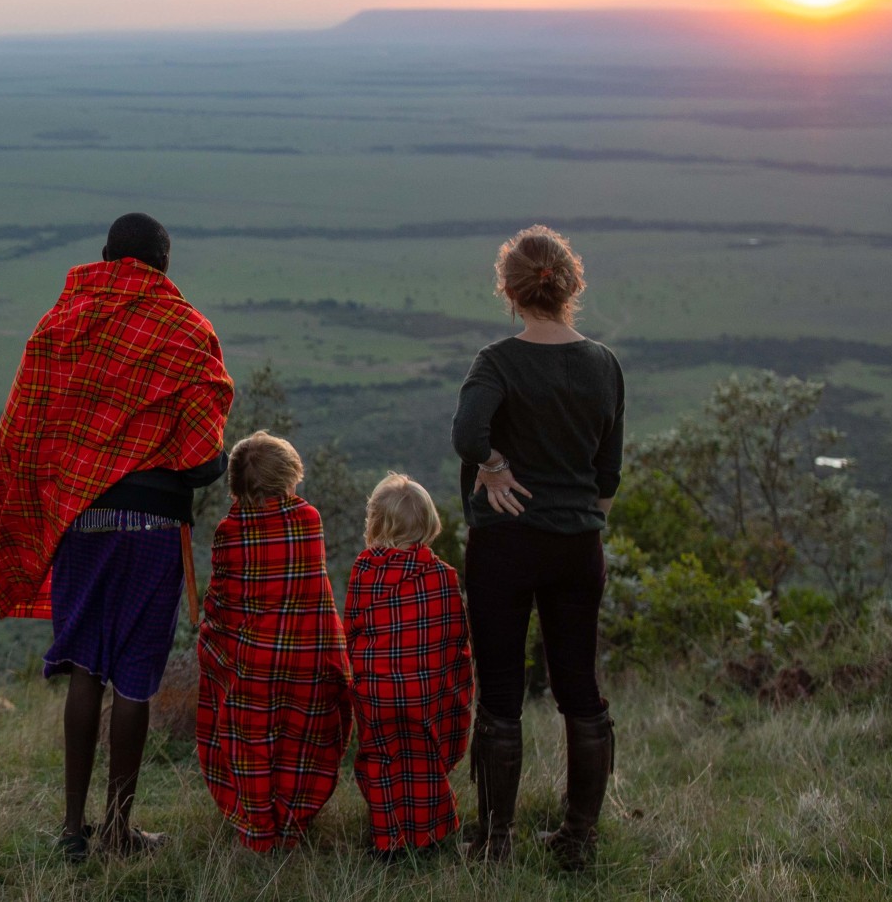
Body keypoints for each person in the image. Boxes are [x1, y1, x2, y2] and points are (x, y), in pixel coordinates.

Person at [0, 213, 233, 860]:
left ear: (103, 256)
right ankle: (120, 831)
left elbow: (24, 433)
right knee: (135, 680)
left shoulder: (58, 327)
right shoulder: (186, 331)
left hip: (82, 521)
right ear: (163, 268)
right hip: (154, 529)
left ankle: (72, 831)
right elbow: (205, 462)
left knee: (85, 671)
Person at [451, 225, 624, 868]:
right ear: (569, 284)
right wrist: (583, 516)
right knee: (580, 690)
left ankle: (495, 842)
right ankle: (579, 838)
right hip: (579, 546)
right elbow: (608, 472)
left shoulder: (498, 360)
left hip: (506, 542)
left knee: (499, 692)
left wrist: (493, 466)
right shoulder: (603, 362)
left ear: (510, 289)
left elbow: (467, 431)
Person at [195, 431, 352, 852]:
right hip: (304, 659)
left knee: (253, 744)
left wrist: (212, 643)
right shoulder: (309, 520)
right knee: (300, 741)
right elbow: (317, 597)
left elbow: (220, 601)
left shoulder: (229, 530)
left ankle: (257, 826)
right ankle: (292, 821)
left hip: (250, 666)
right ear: (289, 477)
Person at [345, 473, 473, 860]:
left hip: (377, 693)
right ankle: (430, 836)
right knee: (425, 759)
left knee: (383, 762)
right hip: (426, 694)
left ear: (376, 524)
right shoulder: (443, 576)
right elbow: (455, 639)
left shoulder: (365, 570)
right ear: (430, 523)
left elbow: (352, 629)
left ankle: (387, 842)